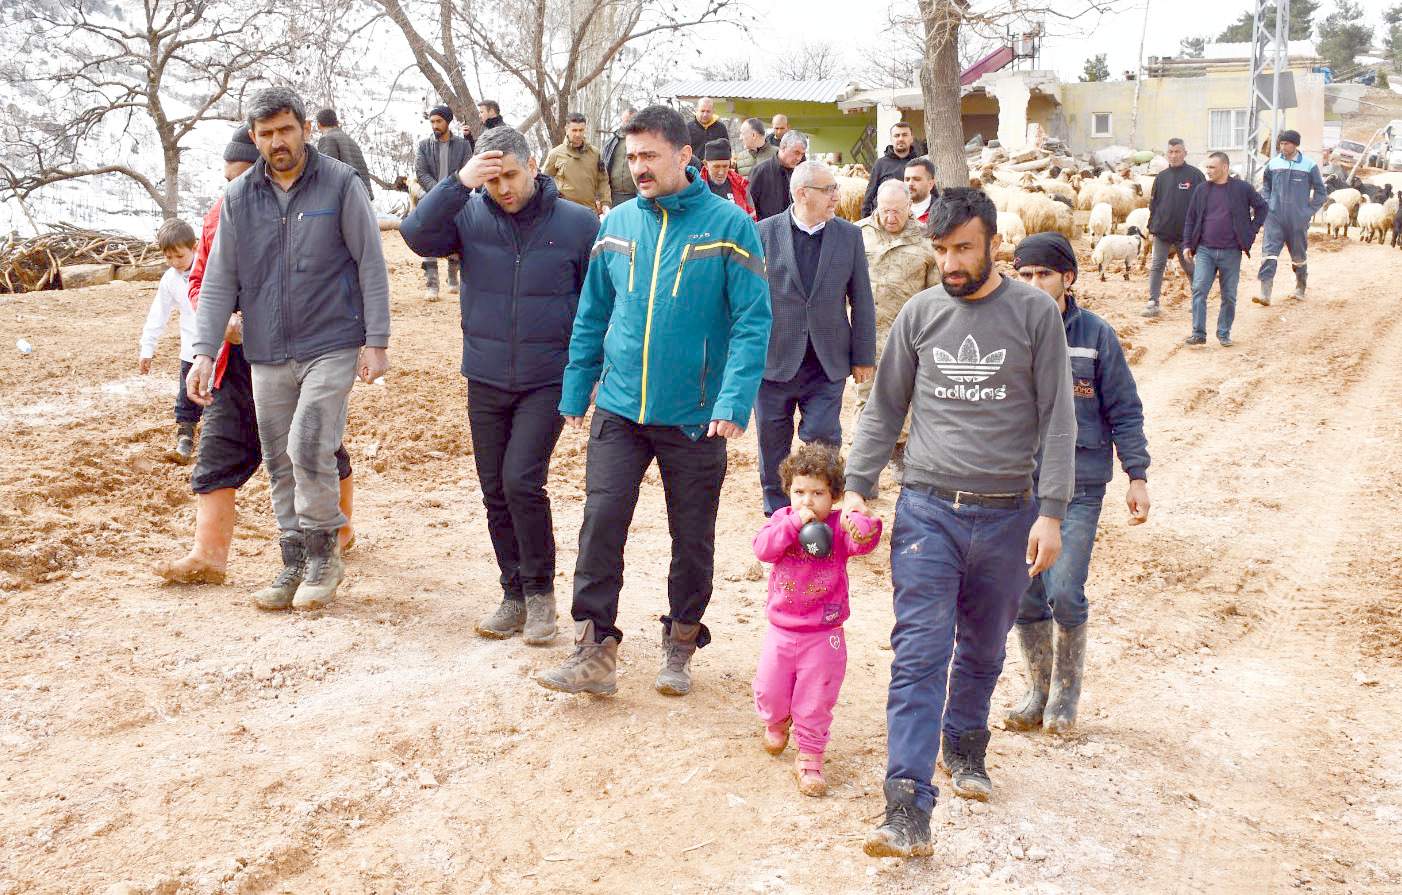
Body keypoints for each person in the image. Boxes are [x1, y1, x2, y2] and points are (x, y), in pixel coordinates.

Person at [846, 188, 1075, 858]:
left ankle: (966, 743)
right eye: (941, 249)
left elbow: (1059, 419)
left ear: (994, 244)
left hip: (1008, 514)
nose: (949, 263)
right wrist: (857, 487)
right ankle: (906, 807)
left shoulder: (1035, 314)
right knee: (919, 653)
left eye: (963, 248)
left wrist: (1052, 512)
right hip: (928, 512)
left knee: (982, 647)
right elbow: (884, 408)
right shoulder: (920, 314)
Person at [536, 104, 772, 698]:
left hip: (696, 416)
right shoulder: (616, 223)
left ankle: (681, 640)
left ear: (684, 155)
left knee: (691, 536)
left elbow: (752, 321)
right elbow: (592, 312)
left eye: (650, 155)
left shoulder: (730, 225)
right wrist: (576, 387)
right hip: (619, 406)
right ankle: (594, 649)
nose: (638, 166)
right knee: (600, 523)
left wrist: (733, 399)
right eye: (632, 156)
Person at [186, 86, 390, 612]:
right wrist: (204, 352)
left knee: (309, 443)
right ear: (254, 137)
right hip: (267, 348)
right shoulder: (239, 198)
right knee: (279, 458)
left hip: (332, 341)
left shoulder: (341, 184)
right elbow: (218, 280)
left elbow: (370, 263)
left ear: (305, 129)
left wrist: (377, 341)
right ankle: (293, 560)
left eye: (286, 130)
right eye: (267, 133)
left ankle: (324, 556)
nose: (277, 141)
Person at [401, 126, 597, 645]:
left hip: (546, 377)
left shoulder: (578, 224)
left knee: (521, 482)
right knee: (494, 490)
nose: (504, 188)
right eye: (493, 180)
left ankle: (540, 595)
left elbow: (598, 302)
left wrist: (590, 371)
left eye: (511, 175)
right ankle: (513, 594)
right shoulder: (467, 216)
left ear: (533, 165)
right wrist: (458, 183)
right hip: (485, 374)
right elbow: (416, 235)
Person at [155, 126, 356, 587]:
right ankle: (207, 554)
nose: (238, 186)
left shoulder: (313, 208)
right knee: (218, 445)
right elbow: (200, 281)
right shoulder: (218, 216)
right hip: (234, 360)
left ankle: (340, 534)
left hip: (301, 353)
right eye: (229, 178)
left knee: (314, 445)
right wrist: (221, 323)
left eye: (244, 174)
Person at [1006, 232, 1150, 736]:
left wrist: (1137, 475)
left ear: (1068, 278)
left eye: (1044, 274)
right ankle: (1038, 690)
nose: (1033, 284)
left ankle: (1065, 696)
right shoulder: (1006, 330)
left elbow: (1125, 408)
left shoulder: (1095, 336)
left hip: (1079, 484)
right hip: (1019, 482)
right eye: (1024, 275)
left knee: (1064, 588)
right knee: (1023, 592)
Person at [752, 442, 882, 797]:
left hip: (825, 632)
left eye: (818, 493)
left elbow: (863, 542)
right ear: (788, 492)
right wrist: (794, 523)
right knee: (769, 688)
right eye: (799, 492)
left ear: (834, 495)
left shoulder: (838, 527)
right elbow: (763, 549)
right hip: (781, 629)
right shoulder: (783, 520)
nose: (807, 501)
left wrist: (863, 522)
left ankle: (810, 756)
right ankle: (776, 720)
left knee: (816, 697)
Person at [755, 160, 875, 516]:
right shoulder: (762, 233)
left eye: (835, 188)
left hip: (827, 362)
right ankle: (778, 516)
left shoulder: (849, 236)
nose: (837, 196)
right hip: (773, 360)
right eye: (829, 190)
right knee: (772, 445)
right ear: (802, 193)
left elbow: (862, 298)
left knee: (823, 440)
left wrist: (863, 356)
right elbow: (746, 298)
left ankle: (819, 517)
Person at [855, 179, 939, 458]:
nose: (891, 218)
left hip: (907, 338)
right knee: (866, 400)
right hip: (866, 336)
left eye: (898, 212)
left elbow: (936, 295)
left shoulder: (927, 240)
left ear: (910, 206)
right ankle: (865, 462)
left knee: (904, 400)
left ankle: (899, 456)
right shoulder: (857, 234)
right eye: (885, 211)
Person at [1181, 151, 1267, 348]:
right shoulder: (1202, 190)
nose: (1208, 171)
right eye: (1207, 167)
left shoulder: (1242, 189)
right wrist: (1187, 244)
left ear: (1225, 168)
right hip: (1205, 250)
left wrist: (1251, 230)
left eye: (1212, 167)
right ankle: (1198, 333)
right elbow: (1191, 218)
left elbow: (1262, 208)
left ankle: (1223, 333)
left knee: (1229, 295)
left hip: (1231, 252)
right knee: (1199, 290)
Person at [138, 218, 201, 464]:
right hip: (190, 349)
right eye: (168, 258)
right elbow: (158, 313)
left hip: (220, 347)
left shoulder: (210, 270)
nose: (175, 263)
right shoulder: (170, 279)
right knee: (186, 396)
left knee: (220, 396)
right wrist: (147, 347)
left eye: (180, 256)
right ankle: (185, 438)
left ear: (194, 247)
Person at [1254, 129, 1327, 306]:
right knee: (1269, 254)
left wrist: (1308, 212)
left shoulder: (1309, 166)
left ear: (1295, 145)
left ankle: (1300, 287)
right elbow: (1266, 187)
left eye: (1286, 143)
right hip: (1274, 218)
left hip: (1297, 220)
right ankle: (1265, 293)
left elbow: (1321, 192)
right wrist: (1267, 204)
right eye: (1281, 143)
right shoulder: (1273, 164)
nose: (1282, 147)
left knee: (1298, 256)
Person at [415, 104, 472, 301]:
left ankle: (453, 277)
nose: (435, 125)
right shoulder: (423, 145)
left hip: (456, 198)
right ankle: (432, 284)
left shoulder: (463, 146)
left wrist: (451, 192)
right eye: (432, 122)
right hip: (430, 198)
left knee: (455, 237)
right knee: (428, 239)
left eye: (439, 121)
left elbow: (467, 170)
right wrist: (438, 192)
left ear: (447, 122)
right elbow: (421, 172)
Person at [1142, 137, 1202, 318]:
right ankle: (1153, 302)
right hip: (1163, 231)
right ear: (1167, 154)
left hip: (1186, 233)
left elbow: (1203, 205)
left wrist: (1200, 230)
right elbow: (1154, 204)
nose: (1174, 155)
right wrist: (1151, 227)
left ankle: (1198, 301)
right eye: (1171, 152)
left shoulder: (1195, 176)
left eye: (1177, 152)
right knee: (1157, 265)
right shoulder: (1161, 178)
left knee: (1189, 267)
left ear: (1185, 153)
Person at [543, 112, 610, 215]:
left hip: (589, 211)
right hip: (564, 211)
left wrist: (605, 203)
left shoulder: (595, 153)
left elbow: (603, 180)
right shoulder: (555, 154)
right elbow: (544, 180)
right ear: (567, 129)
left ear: (585, 129)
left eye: (581, 130)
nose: (578, 134)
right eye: (574, 130)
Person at [860, 122, 918, 218]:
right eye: (896, 135)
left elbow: (930, 193)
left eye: (904, 135)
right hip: (883, 219)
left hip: (912, 218)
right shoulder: (880, 164)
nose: (900, 139)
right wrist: (865, 220)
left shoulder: (920, 164)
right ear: (891, 139)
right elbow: (869, 196)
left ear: (911, 138)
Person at [314, 108, 374, 197]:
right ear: (336, 122)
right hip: (362, 196)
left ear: (319, 124)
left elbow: (327, 172)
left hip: (345, 197)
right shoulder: (350, 140)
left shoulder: (327, 138)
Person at [749, 131, 807, 221]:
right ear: (783, 147)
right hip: (766, 227)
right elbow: (749, 206)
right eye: (796, 152)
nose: (799, 158)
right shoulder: (760, 171)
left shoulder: (801, 173)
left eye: (802, 154)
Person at [698, 138, 754, 218]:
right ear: (706, 164)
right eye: (716, 167)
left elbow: (752, 214)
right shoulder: (697, 189)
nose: (721, 172)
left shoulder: (741, 184)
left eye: (725, 166)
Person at [602, 107, 638, 208]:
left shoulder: (643, 142)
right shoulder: (611, 143)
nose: (628, 125)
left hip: (635, 196)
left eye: (631, 121)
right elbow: (601, 171)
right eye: (626, 121)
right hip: (613, 196)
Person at [686, 96, 729, 165]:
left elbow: (727, 150)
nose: (705, 114)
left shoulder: (721, 128)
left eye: (708, 111)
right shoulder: (688, 128)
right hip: (693, 168)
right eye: (702, 111)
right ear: (697, 110)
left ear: (713, 112)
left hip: (715, 168)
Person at [903, 157, 938, 224]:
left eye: (916, 179)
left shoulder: (943, 212)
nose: (910, 183)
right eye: (907, 179)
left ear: (930, 184)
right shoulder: (895, 210)